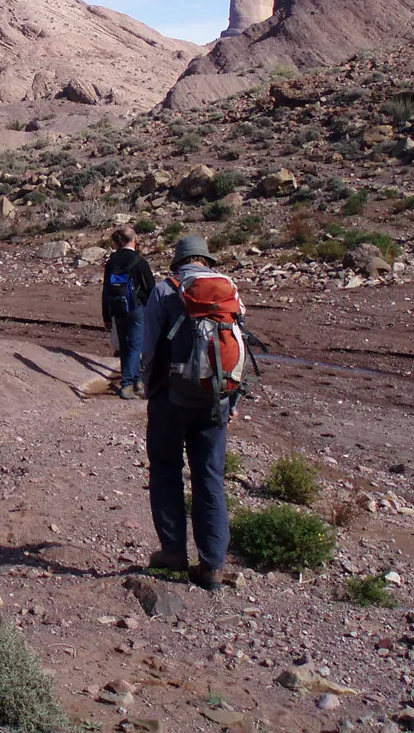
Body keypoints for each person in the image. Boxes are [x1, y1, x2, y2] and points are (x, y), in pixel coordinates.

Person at [138, 235, 242, 591]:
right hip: (216, 400)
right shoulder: (228, 289)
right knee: (209, 477)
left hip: (170, 398)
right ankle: (212, 567)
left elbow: (150, 348)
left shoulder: (165, 290)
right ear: (206, 260)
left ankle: (173, 554)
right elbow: (234, 350)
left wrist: (148, 388)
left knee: (166, 470)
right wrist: (231, 403)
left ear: (177, 261)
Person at [101, 226, 155, 399]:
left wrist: (106, 316)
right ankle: (127, 384)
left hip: (117, 308)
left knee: (125, 347)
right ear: (134, 240)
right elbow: (151, 288)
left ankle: (138, 381)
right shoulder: (139, 261)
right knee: (135, 346)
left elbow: (106, 290)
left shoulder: (112, 261)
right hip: (137, 309)